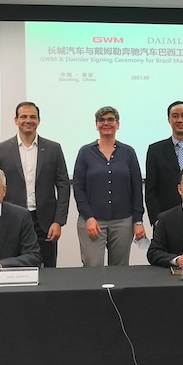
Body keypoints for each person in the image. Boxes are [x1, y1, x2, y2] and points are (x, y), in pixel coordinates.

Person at [0, 101, 70, 267]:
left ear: (38, 121)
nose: (28, 120)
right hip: (12, 219)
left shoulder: (53, 148)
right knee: (12, 267)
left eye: (33, 117)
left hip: (45, 223)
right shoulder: (0, 150)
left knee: (48, 270)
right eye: (24, 117)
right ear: (16, 120)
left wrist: (58, 221)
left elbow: (63, 186)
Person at [73, 106, 146, 266]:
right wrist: (88, 217)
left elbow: (136, 188)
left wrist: (138, 221)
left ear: (117, 124)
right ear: (96, 125)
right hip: (92, 220)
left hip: (123, 221)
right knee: (93, 267)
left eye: (111, 120)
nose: (106, 123)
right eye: (102, 120)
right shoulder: (85, 152)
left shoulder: (128, 152)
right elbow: (78, 188)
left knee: (120, 270)